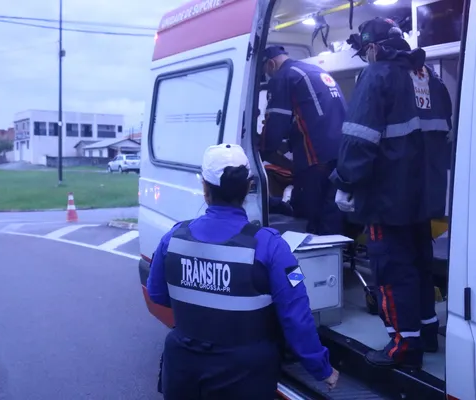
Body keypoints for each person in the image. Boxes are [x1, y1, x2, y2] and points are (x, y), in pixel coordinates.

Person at [146, 143, 340, 399]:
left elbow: (157, 294)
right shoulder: (272, 246)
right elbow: (296, 316)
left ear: (205, 188)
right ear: (249, 187)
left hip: (184, 371)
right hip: (244, 377)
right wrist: (322, 369)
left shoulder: (173, 237)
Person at [331, 18, 453, 368]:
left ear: (373, 47)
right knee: (418, 266)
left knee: (389, 270)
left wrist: (345, 182)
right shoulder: (431, 78)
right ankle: (427, 334)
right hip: (425, 197)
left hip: (386, 198)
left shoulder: (376, 76)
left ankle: (403, 345)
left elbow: (359, 137)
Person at [260, 45, 346, 235]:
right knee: (331, 213)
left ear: (271, 64)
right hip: (340, 154)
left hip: (315, 158)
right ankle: (334, 260)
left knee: (309, 215)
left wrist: (262, 147)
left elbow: (275, 125)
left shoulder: (284, 77)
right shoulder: (314, 70)